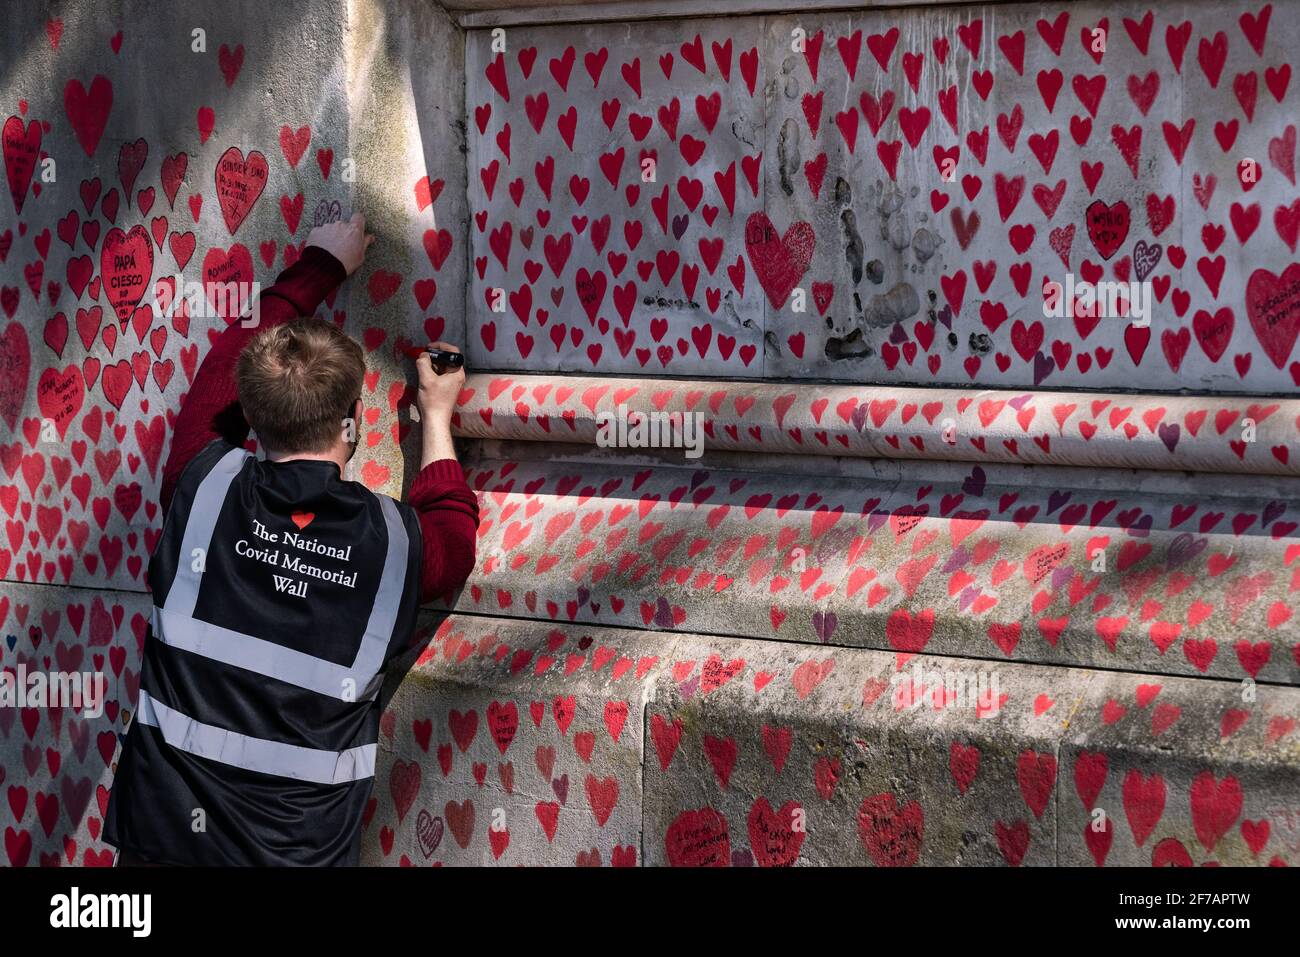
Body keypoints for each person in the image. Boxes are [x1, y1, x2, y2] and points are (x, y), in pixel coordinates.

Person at [104, 213, 479, 866]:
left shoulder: (202, 486)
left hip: (160, 847)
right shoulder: (390, 540)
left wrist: (318, 266)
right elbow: (453, 527)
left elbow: (217, 376)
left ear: (251, 413)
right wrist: (437, 415)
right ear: (354, 424)